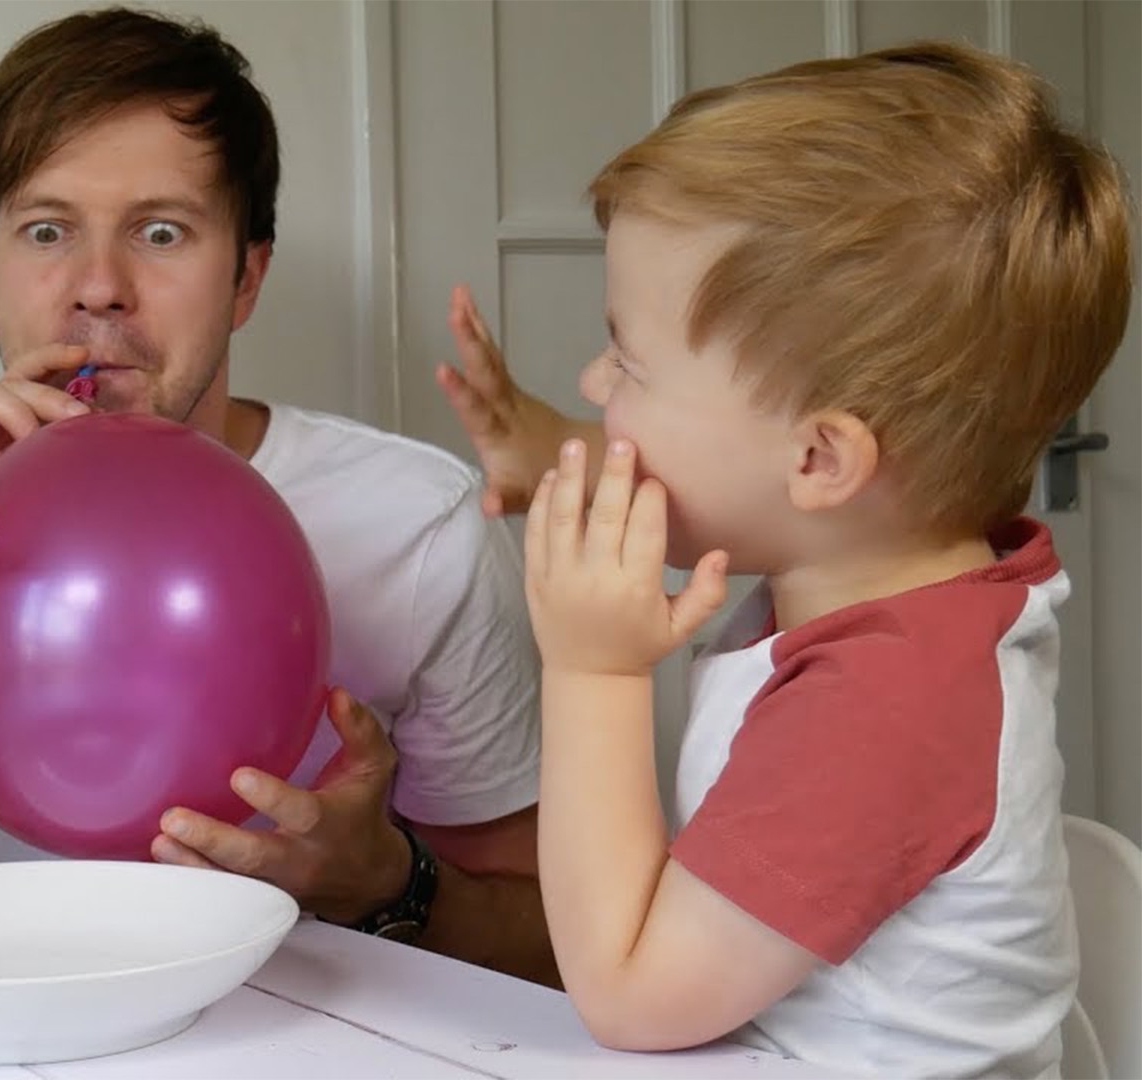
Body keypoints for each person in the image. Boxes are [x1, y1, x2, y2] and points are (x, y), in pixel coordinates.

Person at [0, 7, 554, 982]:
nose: (99, 288)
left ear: (246, 278)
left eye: (161, 232)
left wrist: (383, 880)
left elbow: (552, 943)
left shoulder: (419, 521)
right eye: (47, 231)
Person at [441, 42, 1130, 1077]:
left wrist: (594, 670)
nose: (592, 379)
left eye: (627, 360)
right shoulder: (887, 570)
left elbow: (627, 994)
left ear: (818, 459)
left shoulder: (886, 706)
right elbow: (729, 475)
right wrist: (556, 454)